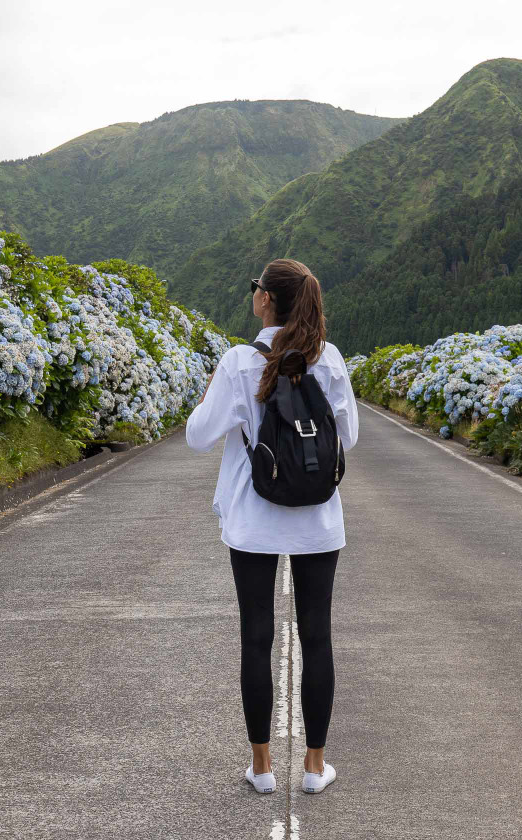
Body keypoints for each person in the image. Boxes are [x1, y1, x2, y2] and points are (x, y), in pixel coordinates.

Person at [184, 258, 359, 796]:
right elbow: (347, 439)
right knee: (317, 637)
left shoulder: (240, 361)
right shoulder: (328, 360)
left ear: (265, 300)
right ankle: (314, 768)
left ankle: (261, 768)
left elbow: (197, 435)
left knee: (257, 638)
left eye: (255, 286)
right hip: (317, 520)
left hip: (254, 521)